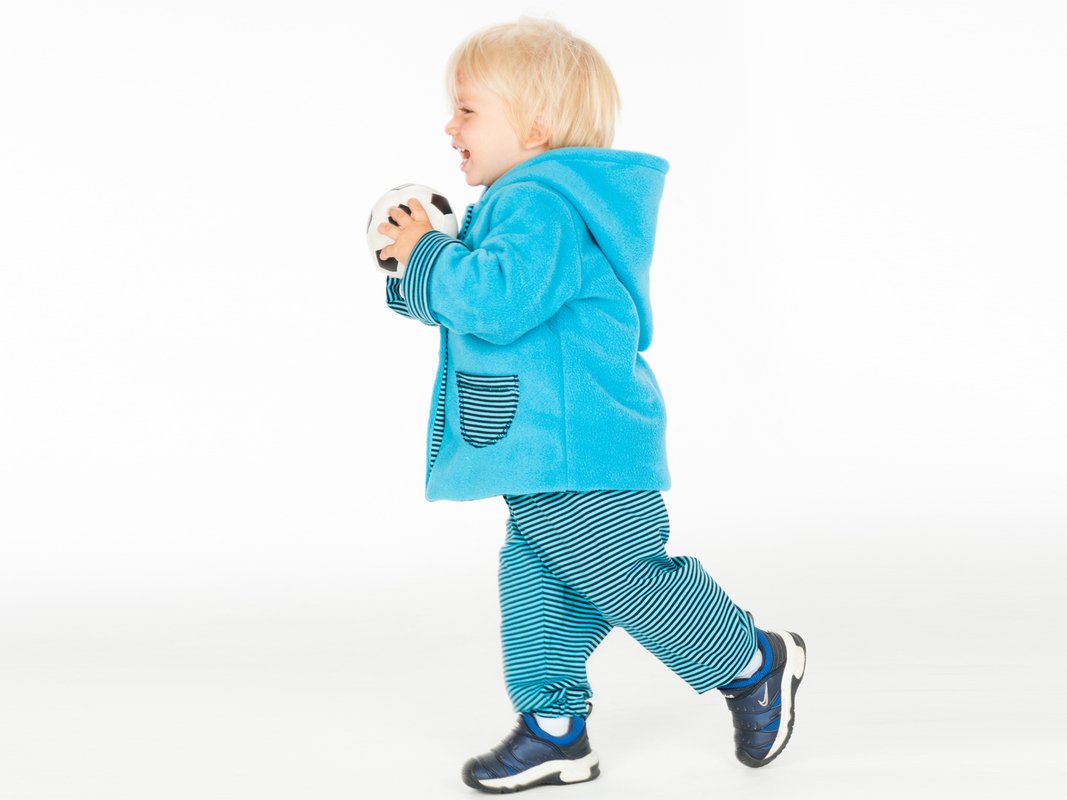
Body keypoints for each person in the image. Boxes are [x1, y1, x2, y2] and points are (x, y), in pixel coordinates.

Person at [375, 16, 806, 794]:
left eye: (467, 110)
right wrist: (413, 273)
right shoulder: (518, 204)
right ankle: (554, 729)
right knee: (536, 587)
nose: (449, 127)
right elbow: (479, 300)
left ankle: (751, 662)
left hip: (582, 443)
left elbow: (496, 299)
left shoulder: (539, 203)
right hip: (544, 450)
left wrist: (428, 255)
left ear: (534, 127)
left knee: (623, 575)